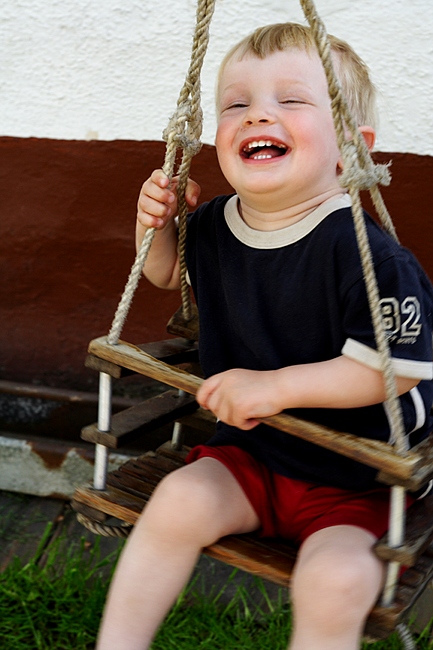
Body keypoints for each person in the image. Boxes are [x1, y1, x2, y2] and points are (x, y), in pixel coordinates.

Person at [97, 23, 433, 650]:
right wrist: (158, 226)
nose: (256, 115)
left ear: (352, 150)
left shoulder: (368, 257)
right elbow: (166, 273)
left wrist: (274, 387)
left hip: (355, 482)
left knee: (335, 580)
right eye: (236, 104)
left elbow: (396, 369)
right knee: (177, 501)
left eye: (292, 100)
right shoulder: (215, 225)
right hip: (250, 457)